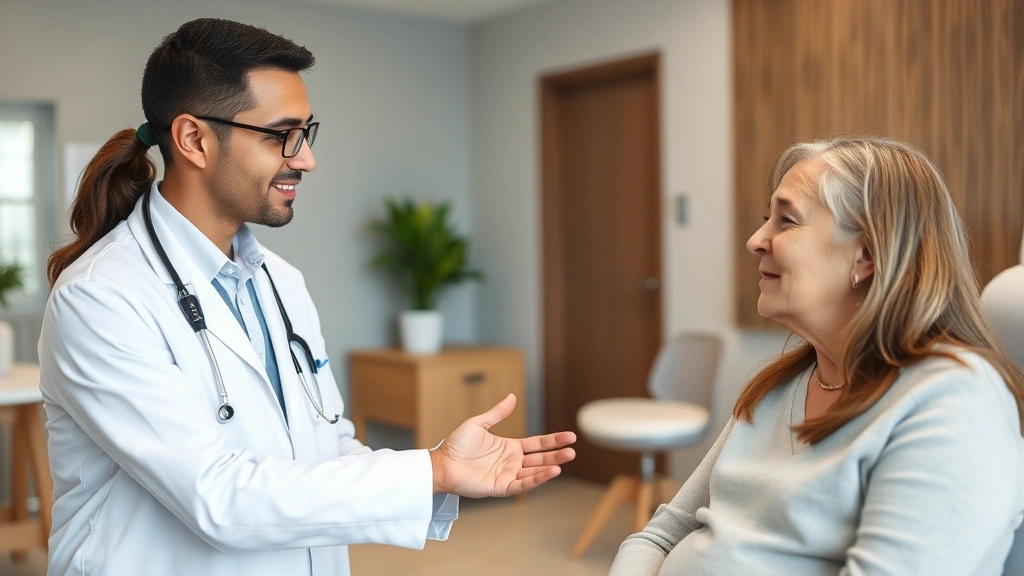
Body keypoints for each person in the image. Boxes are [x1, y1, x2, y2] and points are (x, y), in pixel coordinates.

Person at [38, 18, 575, 576]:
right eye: (280, 135)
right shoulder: (101, 298)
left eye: (305, 133)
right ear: (194, 139)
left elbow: (327, 446)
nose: (305, 159)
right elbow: (216, 495)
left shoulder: (280, 281)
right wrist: (428, 473)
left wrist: (437, 467)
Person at [610, 137, 1024, 575]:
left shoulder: (953, 405)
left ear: (866, 254)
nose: (755, 240)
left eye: (786, 220)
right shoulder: (776, 391)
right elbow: (659, 534)